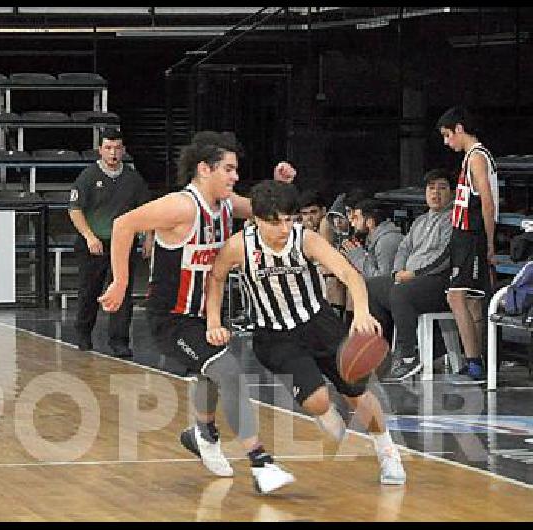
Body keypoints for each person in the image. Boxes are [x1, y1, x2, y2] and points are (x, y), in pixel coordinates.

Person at [99, 131, 295, 495]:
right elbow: (122, 225)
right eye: (229, 169)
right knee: (229, 372)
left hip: (206, 314)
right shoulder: (181, 206)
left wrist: (279, 185)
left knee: (212, 372)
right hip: (170, 317)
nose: (236, 176)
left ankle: (202, 433)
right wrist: (121, 282)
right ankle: (261, 462)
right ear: (205, 169)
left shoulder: (225, 205)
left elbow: (265, 208)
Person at [204, 180, 406, 485]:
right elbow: (216, 279)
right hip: (274, 335)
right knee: (318, 401)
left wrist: (362, 311)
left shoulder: (305, 239)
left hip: (318, 323)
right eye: (274, 222)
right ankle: (326, 415)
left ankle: (388, 452)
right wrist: (213, 322)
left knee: (357, 393)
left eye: (288, 219)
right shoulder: (238, 247)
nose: (283, 228)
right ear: (255, 220)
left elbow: (349, 274)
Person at [68, 127, 151, 358]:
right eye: (108, 148)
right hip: (94, 244)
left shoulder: (133, 179)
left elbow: (146, 210)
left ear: (123, 150)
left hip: (123, 244)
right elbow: (75, 210)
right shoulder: (88, 176)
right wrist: (89, 236)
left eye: (117, 148)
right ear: (100, 150)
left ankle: (119, 341)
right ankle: (84, 333)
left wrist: (148, 237)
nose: (113, 153)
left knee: (122, 292)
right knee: (89, 291)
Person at [370, 169, 454, 382]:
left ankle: (407, 356)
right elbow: (404, 249)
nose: (435, 193)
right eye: (431, 188)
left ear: (452, 193)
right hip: (410, 278)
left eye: (442, 188)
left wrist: (414, 274)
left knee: (402, 292)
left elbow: (445, 258)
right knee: (371, 287)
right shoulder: (420, 221)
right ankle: (382, 352)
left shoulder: (453, 220)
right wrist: (398, 271)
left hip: (438, 282)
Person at [437, 106, 499, 383]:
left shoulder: (477, 158)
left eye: (448, 135)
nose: (447, 142)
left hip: (472, 235)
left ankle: (474, 361)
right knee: (472, 301)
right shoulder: (471, 158)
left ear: (459, 129)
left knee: (457, 297)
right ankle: (478, 361)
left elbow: (487, 202)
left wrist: (489, 242)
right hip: (465, 234)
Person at [341, 199, 403, 279]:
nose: (353, 224)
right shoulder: (369, 238)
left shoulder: (386, 242)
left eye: (357, 218)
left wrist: (358, 258)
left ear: (370, 222)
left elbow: (384, 280)